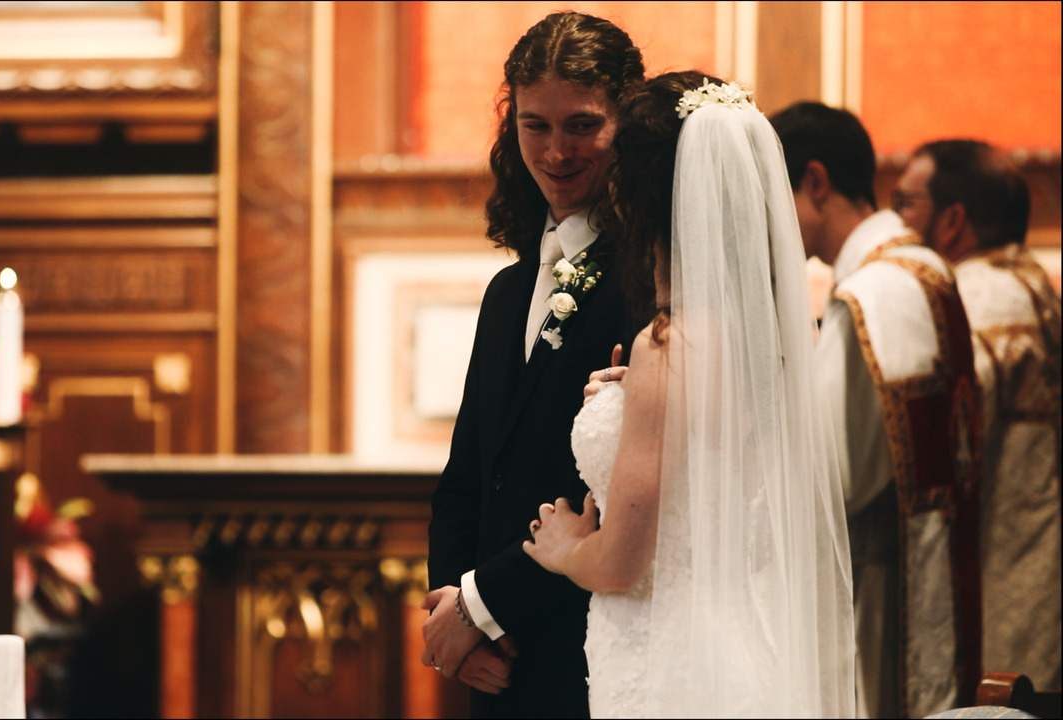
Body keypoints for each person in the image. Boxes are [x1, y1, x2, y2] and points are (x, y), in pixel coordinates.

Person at [522, 71, 856, 718]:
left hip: (671, 658)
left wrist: (563, 547)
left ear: (637, 197)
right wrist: (631, 396)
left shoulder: (670, 346)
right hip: (750, 642)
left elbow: (622, 561)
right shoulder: (772, 340)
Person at [421, 11, 646, 718]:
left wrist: (483, 608)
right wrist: (455, 613)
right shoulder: (508, 290)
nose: (556, 151)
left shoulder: (645, 282)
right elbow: (468, 477)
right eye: (534, 126)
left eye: (582, 125)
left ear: (627, 126)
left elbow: (619, 496)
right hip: (496, 663)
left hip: (593, 646)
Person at [770, 102, 983, 718]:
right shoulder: (921, 267)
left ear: (814, 181)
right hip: (926, 567)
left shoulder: (871, 294)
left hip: (878, 585)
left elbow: (829, 476)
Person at [894, 139, 1061, 693]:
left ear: (952, 220)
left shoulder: (975, 299)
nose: (896, 221)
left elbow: (942, 453)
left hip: (1004, 572)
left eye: (906, 203)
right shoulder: (1031, 279)